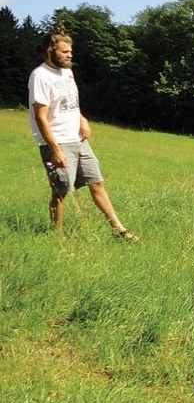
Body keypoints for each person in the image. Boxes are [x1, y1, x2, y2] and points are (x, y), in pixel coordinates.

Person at [28, 24, 139, 241]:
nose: (70, 55)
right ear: (51, 51)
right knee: (61, 190)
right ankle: (57, 237)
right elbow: (41, 117)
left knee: (96, 181)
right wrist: (55, 150)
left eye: (71, 51)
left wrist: (82, 119)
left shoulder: (68, 72)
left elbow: (70, 103)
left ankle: (118, 229)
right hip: (57, 141)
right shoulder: (40, 76)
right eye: (65, 51)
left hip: (77, 139)